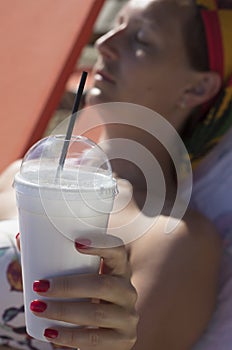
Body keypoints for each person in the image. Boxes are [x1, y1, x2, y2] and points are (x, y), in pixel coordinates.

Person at [1, 0, 232, 349]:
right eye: (117, 24)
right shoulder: (22, 175)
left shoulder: (175, 239)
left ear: (197, 88)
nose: (106, 43)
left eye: (141, 39)